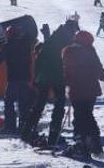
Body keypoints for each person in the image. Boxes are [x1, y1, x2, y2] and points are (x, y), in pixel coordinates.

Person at [21, 19, 78, 147]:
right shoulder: (68, 42)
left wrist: (36, 77)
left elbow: (40, 58)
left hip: (44, 77)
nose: (74, 33)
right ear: (71, 29)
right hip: (58, 77)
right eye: (74, 31)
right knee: (59, 106)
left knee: (39, 104)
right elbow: (69, 62)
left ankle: (26, 131)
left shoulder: (53, 38)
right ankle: (53, 135)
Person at [63, 31, 104, 157]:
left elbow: (66, 70)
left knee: (81, 117)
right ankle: (93, 144)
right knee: (87, 116)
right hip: (90, 90)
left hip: (77, 89)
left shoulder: (69, 51)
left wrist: (65, 82)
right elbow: (98, 69)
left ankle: (82, 144)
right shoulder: (90, 52)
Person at [0, 25, 34, 137]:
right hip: (25, 78)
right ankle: (24, 127)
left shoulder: (8, 46)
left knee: (9, 102)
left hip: (14, 79)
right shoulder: (25, 45)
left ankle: (10, 127)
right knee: (23, 103)